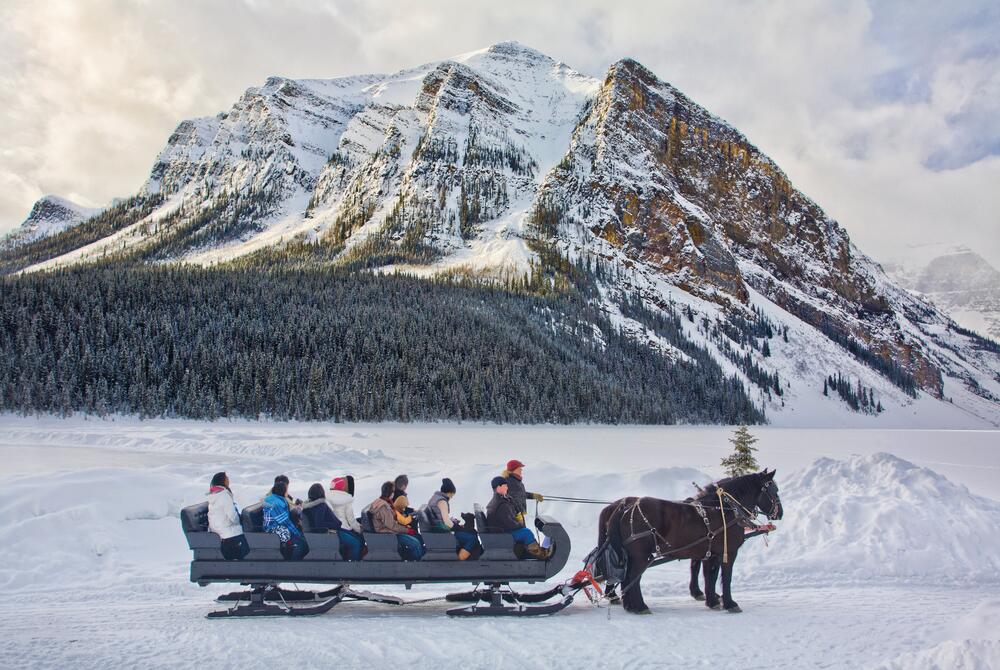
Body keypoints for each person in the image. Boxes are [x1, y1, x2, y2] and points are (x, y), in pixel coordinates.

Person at [486, 476, 549, 559]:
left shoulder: (500, 500)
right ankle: (540, 554)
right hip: (503, 534)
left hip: (501, 532)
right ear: (498, 487)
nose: (507, 487)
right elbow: (510, 524)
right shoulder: (501, 504)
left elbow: (509, 518)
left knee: (524, 531)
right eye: (505, 485)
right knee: (526, 533)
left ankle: (531, 552)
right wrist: (520, 523)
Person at [425, 477, 480, 560]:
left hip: (439, 528)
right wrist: (456, 527)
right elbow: (446, 522)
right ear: (449, 493)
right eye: (452, 495)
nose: (452, 497)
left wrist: (453, 522)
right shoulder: (442, 502)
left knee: (469, 533)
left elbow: (441, 517)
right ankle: (460, 559)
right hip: (442, 531)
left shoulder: (435, 497)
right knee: (472, 538)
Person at [370, 481, 424, 560]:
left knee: (418, 537)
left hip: (389, 531)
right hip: (388, 534)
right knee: (415, 543)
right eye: (393, 492)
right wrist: (407, 530)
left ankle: (418, 557)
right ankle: (419, 563)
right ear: (390, 493)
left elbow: (393, 517)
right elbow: (392, 525)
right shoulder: (383, 507)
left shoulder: (385, 502)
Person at [207, 472, 249, 560]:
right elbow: (232, 515)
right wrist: (241, 524)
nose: (228, 480)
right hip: (224, 529)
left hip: (217, 527)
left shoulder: (214, 494)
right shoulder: (224, 495)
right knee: (247, 534)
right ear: (223, 481)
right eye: (227, 478)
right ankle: (246, 558)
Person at [264, 479, 309, 560]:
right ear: (283, 491)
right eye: (286, 490)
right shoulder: (276, 503)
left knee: (300, 537)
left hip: (274, 525)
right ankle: (293, 562)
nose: (287, 492)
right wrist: (297, 533)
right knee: (300, 542)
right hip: (272, 528)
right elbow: (284, 521)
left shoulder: (275, 498)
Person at [329, 475, 364, 560]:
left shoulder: (326, 498)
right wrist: (360, 529)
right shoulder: (346, 500)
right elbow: (351, 520)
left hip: (332, 529)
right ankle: (354, 567)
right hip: (341, 530)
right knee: (357, 543)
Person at [503, 460, 543, 524]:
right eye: (519, 468)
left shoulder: (515, 480)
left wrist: (534, 495)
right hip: (514, 515)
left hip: (517, 514)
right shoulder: (511, 481)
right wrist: (518, 515)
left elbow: (520, 494)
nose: (521, 470)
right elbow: (513, 499)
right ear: (514, 469)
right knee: (523, 532)